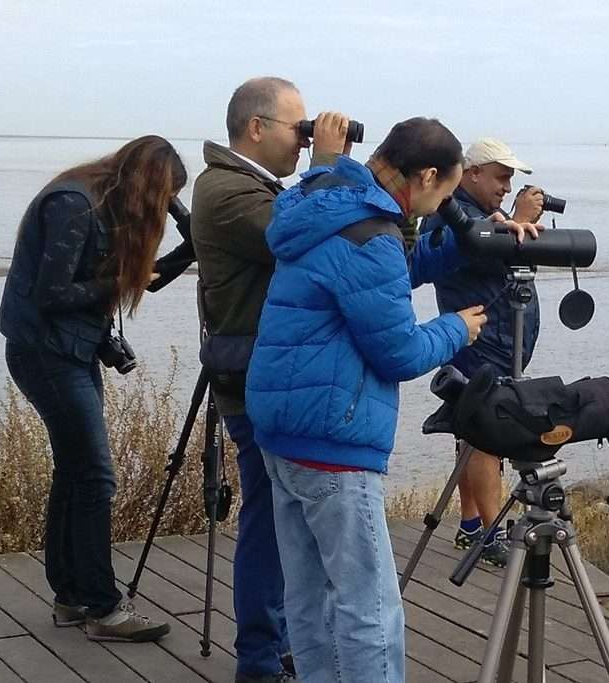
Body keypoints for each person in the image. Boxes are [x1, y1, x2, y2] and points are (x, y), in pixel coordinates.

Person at [245, 118, 540, 682]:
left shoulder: (327, 208)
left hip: (283, 433)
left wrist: (470, 238)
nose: (440, 207)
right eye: (446, 196)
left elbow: (393, 274)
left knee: (309, 600)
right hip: (335, 442)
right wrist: (455, 328)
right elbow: (400, 353)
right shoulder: (371, 234)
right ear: (427, 175)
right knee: (370, 610)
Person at [190, 76, 353, 683]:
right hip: (258, 383)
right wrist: (331, 167)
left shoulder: (251, 186)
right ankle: (260, 660)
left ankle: (281, 645)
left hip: (274, 377)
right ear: (256, 128)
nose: (304, 141)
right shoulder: (228, 192)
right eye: (299, 129)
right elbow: (305, 236)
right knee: (270, 521)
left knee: (284, 520)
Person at [0, 135, 186, 643]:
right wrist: (122, 278)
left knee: (76, 472)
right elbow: (52, 293)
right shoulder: (74, 204)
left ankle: (71, 597)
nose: (161, 213)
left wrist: (194, 242)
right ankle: (104, 608)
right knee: (97, 476)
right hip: (45, 352)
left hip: (70, 351)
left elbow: (145, 279)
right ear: (147, 185)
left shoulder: (102, 205)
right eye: (164, 199)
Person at [418, 137, 553, 569]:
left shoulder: (474, 213)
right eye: (500, 176)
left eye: (510, 179)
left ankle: (472, 524)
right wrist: (518, 221)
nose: (506, 186)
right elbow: (478, 253)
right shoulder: (453, 214)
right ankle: (491, 535)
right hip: (479, 343)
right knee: (488, 438)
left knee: (472, 433)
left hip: (492, 342)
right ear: (472, 172)